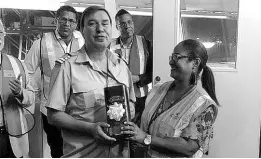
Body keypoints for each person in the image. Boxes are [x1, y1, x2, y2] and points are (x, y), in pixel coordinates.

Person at [46, 6, 136, 158]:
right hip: (84, 154)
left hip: (119, 153)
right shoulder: (67, 66)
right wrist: (90, 128)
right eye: (92, 24)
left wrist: (128, 113)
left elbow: (131, 103)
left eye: (105, 23)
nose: (100, 29)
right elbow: (53, 115)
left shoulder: (121, 66)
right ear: (81, 30)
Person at [121, 39, 219, 158]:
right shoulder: (158, 89)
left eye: (177, 57)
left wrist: (146, 138)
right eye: (171, 57)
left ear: (195, 63)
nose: (171, 62)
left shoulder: (204, 105)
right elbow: (142, 121)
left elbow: (189, 148)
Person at [24, 5, 84, 158]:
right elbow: (27, 71)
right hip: (51, 110)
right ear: (56, 21)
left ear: (76, 24)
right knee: (57, 149)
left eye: (71, 21)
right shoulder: (41, 42)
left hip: (77, 109)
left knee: (78, 150)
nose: (67, 24)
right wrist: (35, 91)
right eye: (63, 19)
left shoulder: (82, 42)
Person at [110, 9, 153, 126]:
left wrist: (139, 78)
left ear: (133, 23)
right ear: (117, 26)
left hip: (140, 96)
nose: (127, 26)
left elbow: (153, 71)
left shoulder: (146, 44)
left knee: (137, 130)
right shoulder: (110, 46)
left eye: (129, 22)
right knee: (119, 128)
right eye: (122, 23)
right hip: (117, 96)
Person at [0, 19, 35, 158]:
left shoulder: (16, 64)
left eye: (0, 32)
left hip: (14, 136)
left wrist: (21, 93)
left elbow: (31, 95)